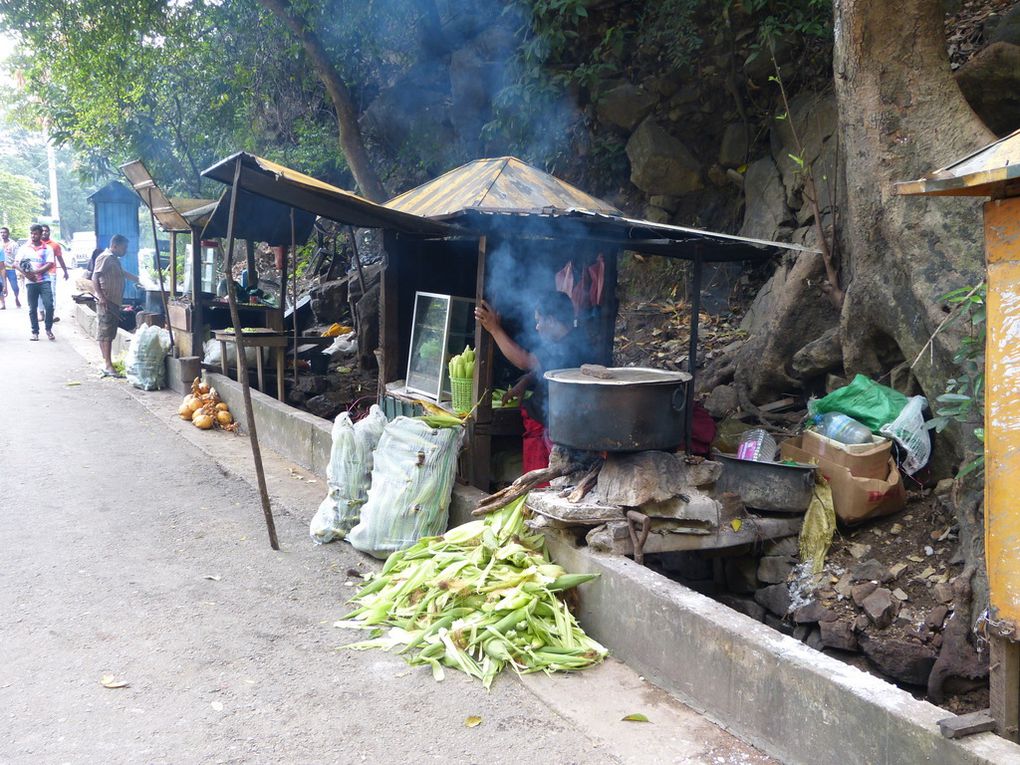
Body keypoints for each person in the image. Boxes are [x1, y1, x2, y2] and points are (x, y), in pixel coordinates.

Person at [474, 291, 591, 473]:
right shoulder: (575, 339)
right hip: (555, 427)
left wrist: (494, 329)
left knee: (541, 483)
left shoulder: (565, 346)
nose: (536, 327)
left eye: (539, 320)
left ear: (551, 320)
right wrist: (524, 383)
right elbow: (549, 370)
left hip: (550, 430)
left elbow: (524, 361)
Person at [91, 234, 138, 377]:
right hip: (107, 300)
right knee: (106, 333)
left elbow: (122, 273)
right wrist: (101, 297)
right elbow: (95, 276)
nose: (125, 251)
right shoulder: (105, 257)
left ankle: (106, 361)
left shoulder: (113, 259)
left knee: (108, 332)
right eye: (124, 248)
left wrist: (139, 279)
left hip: (113, 301)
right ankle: (108, 365)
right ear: (115, 246)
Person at [15, 224, 57, 340]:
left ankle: (48, 329)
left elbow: (50, 264)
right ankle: (35, 332)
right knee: (32, 308)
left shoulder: (47, 248)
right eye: (32, 233)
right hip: (31, 282)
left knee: (49, 305)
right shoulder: (25, 248)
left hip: (44, 281)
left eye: (36, 234)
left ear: (40, 234)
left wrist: (37, 272)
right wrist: (27, 274)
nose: (33, 236)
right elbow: (16, 263)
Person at [39, 225, 68, 323]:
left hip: (51, 272)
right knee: (39, 294)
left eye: (46, 231)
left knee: (51, 293)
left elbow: (60, 259)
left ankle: (51, 314)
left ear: (49, 232)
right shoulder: (35, 244)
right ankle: (42, 313)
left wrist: (65, 271)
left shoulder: (55, 245)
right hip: (38, 273)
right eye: (42, 231)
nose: (44, 233)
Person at [1, 227, 19, 308]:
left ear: (8, 234)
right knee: (1, 286)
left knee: (15, 287)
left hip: (11, 269)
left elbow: (17, 257)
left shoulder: (14, 244)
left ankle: (16, 297)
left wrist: (16, 266)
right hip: (1, 269)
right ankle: (3, 303)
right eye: (1, 232)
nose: (2, 234)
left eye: (4, 232)